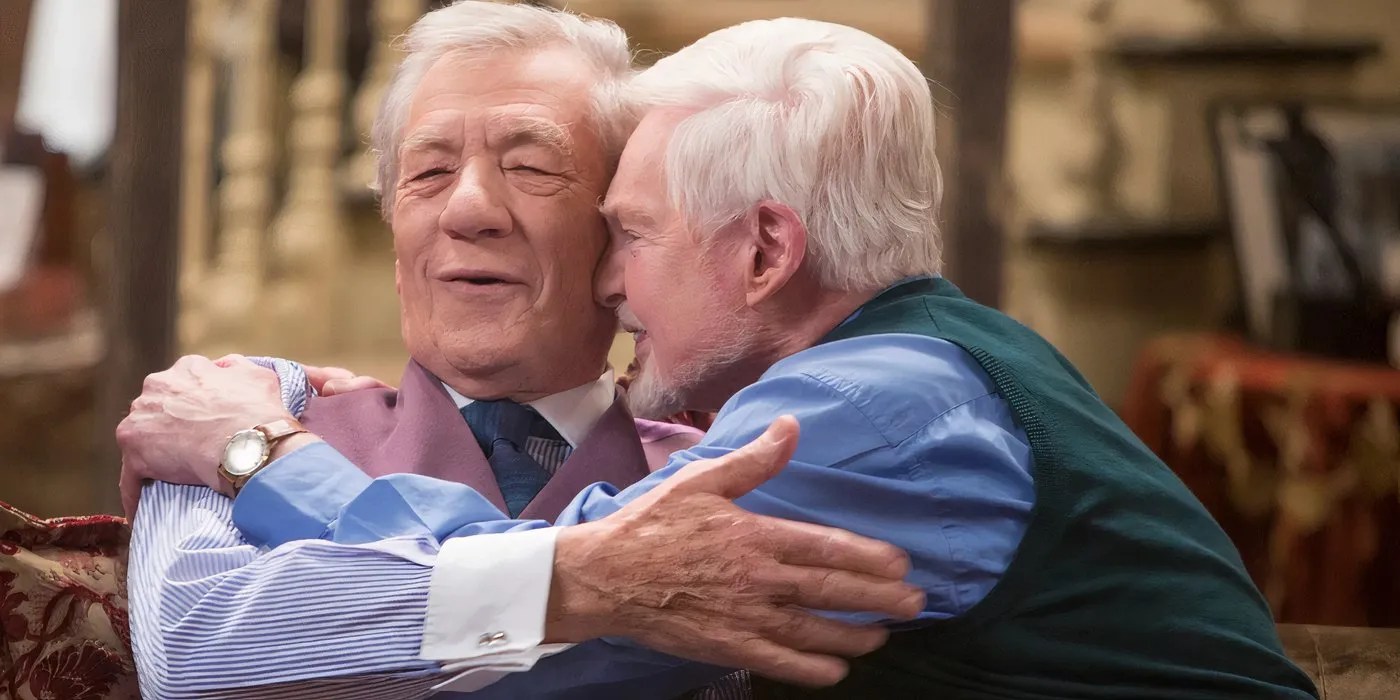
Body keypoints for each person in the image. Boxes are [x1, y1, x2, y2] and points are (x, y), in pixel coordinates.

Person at [139, 17, 1323, 699]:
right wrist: (266, 427)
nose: (613, 279)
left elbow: (539, 642)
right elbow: (195, 635)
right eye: (427, 171)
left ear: (763, 250)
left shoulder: (850, 418)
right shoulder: (261, 395)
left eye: (630, 230)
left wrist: (261, 457)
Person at [116, 4, 920, 698]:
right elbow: (190, 652)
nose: (469, 209)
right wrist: (594, 582)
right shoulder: (229, 418)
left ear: (621, 231)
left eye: (531, 167)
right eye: (427, 173)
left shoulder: (741, 463)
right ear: (399, 243)